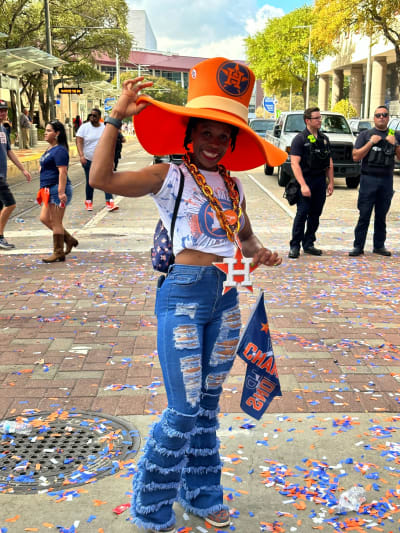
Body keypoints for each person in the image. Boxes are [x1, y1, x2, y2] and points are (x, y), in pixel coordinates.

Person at [90, 57, 287, 533]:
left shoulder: (234, 186)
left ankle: (201, 493)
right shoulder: (168, 176)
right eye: (207, 134)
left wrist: (263, 253)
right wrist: (116, 116)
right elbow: (100, 180)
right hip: (182, 296)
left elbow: (246, 240)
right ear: (189, 136)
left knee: (206, 405)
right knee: (181, 409)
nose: (216, 143)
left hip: (226, 300)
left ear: (233, 142)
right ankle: (151, 505)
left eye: (224, 136)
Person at [349, 105, 400, 257]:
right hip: (368, 179)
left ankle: (379, 245)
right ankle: (358, 246)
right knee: (364, 214)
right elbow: (356, 156)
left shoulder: (395, 135)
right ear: (374, 118)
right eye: (378, 115)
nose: (381, 117)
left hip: (386, 180)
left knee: (381, 215)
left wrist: (395, 144)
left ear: (388, 117)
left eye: (384, 115)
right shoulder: (366, 134)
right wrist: (371, 142)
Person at [288, 107, 334, 259]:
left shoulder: (324, 139)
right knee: (302, 214)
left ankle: (308, 244)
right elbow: (295, 164)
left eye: (320, 118)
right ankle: (295, 246)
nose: (320, 120)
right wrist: (303, 185)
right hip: (305, 180)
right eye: (317, 118)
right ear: (307, 121)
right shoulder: (300, 139)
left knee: (315, 215)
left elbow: (329, 162)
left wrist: (331, 182)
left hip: (320, 181)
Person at [37, 120, 78, 262]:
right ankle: (69, 239)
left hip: (56, 188)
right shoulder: (50, 148)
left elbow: (63, 172)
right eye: (46, 130)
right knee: (44, 218)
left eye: (49, 131)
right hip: (48, 189)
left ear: (57, 133)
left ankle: (58, 252)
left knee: (56, 222)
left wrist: (61, 192)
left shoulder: (60, 150)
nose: (45, 133)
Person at [0, 99, 32, 250]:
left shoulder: (4, 130)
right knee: (10, 203)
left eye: (4, 110)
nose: (3, 113)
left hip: (2, 174)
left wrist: (23, 169)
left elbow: (9, 151)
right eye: (0, 110)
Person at [75, 108, 118, 211]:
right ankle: (89, 201)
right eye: (91, 115)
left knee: (105, 179)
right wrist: (81, 155)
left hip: (103, 159)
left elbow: (110, 145)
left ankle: (110, 201)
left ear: (99, 117)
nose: (92, 118)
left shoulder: (104, 128)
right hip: (88, 159)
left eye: (95, 116)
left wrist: (111, 160)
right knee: (90, 181)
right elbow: (79, 141)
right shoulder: (84, 127)